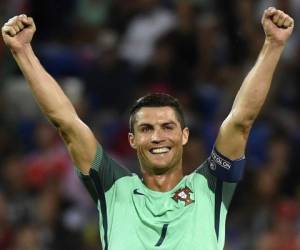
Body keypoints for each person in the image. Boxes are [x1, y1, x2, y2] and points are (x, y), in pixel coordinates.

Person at [1, 7, 294, 250]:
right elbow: (66, 122)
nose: (157, 137)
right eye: (146, 129)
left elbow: (241, 119)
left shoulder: (210, 187)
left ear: (184, 135)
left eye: (167, 126)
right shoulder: (112, 188)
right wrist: (23, 52)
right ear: (131, 139)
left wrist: (273, 46)